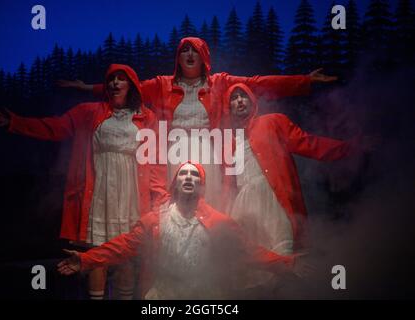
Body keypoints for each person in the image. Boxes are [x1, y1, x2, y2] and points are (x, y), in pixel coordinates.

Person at [58, 37, 337, 212]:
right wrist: (89, 88)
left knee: (210, 204)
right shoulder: (162, 84)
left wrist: (304, 81)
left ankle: (209, 269)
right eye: (183, 51)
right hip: (173, 153)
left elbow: (258, 83)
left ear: (204, 57)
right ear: (177, 58)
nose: (189, 55)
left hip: (210, 154)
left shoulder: (219, 82)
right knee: (172, 207)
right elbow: (129, 90)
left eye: (194, 50)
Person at [0, 64, 168, 300]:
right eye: (111, 79)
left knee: (127, 252)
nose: (115, 83)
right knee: (97, 253)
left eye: (121, 79)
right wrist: (17, 123)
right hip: (100, 192)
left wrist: (160, 195)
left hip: (133, 194)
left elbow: (155, 160)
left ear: (132, 85)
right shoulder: (89, 111)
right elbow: (55, 127)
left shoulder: (148, 117)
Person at [57, 162, 309, 299]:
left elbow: (250, 252)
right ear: (175, 184)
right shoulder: (154, 220)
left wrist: (287, 264)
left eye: (195, 176)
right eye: (183, 174)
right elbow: (121, 247)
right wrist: (86, 260)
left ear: (202, 186)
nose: (188, 178)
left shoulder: (220, 222)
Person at [224, 83, 377, 293]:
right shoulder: (229, 143)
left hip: (273, 203)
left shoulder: (273, 122)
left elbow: (309, 143)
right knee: (249, 273)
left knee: (284, 268)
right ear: (228, 108)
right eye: (234, 98)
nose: (239, 101)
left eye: (244, 96)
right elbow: (227, 187)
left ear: (253, 101)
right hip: (243, 209)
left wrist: (351, 147)